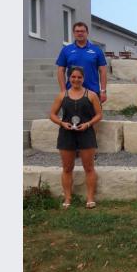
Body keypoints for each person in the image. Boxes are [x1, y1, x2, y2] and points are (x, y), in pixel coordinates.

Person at [48, 66, 103, 209]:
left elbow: (99, 114)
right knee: (67, 168)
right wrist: (61, 123)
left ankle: (90, 197)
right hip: (67, 133)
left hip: (86, 132)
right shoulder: (62, 95)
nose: (76, 79)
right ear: (69, 78)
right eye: (73, 77)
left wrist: (89, 124)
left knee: (89, 167)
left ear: (83, 78)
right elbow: (52, 114)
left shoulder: (91, 95)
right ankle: (67, 198)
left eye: (79, 77)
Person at [56, 21, 107, 103]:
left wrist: (103, 91)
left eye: (82, 31)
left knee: (95, 116)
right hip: (71, 93)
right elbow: (60, 71)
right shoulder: (66, 50)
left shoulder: (97, 50)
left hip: (92, 92)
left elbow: (103, 71)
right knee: (70, 116)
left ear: (87, 33)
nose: (80, 33)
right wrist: (63, 91)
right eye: (77, 31)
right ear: (73, 33)